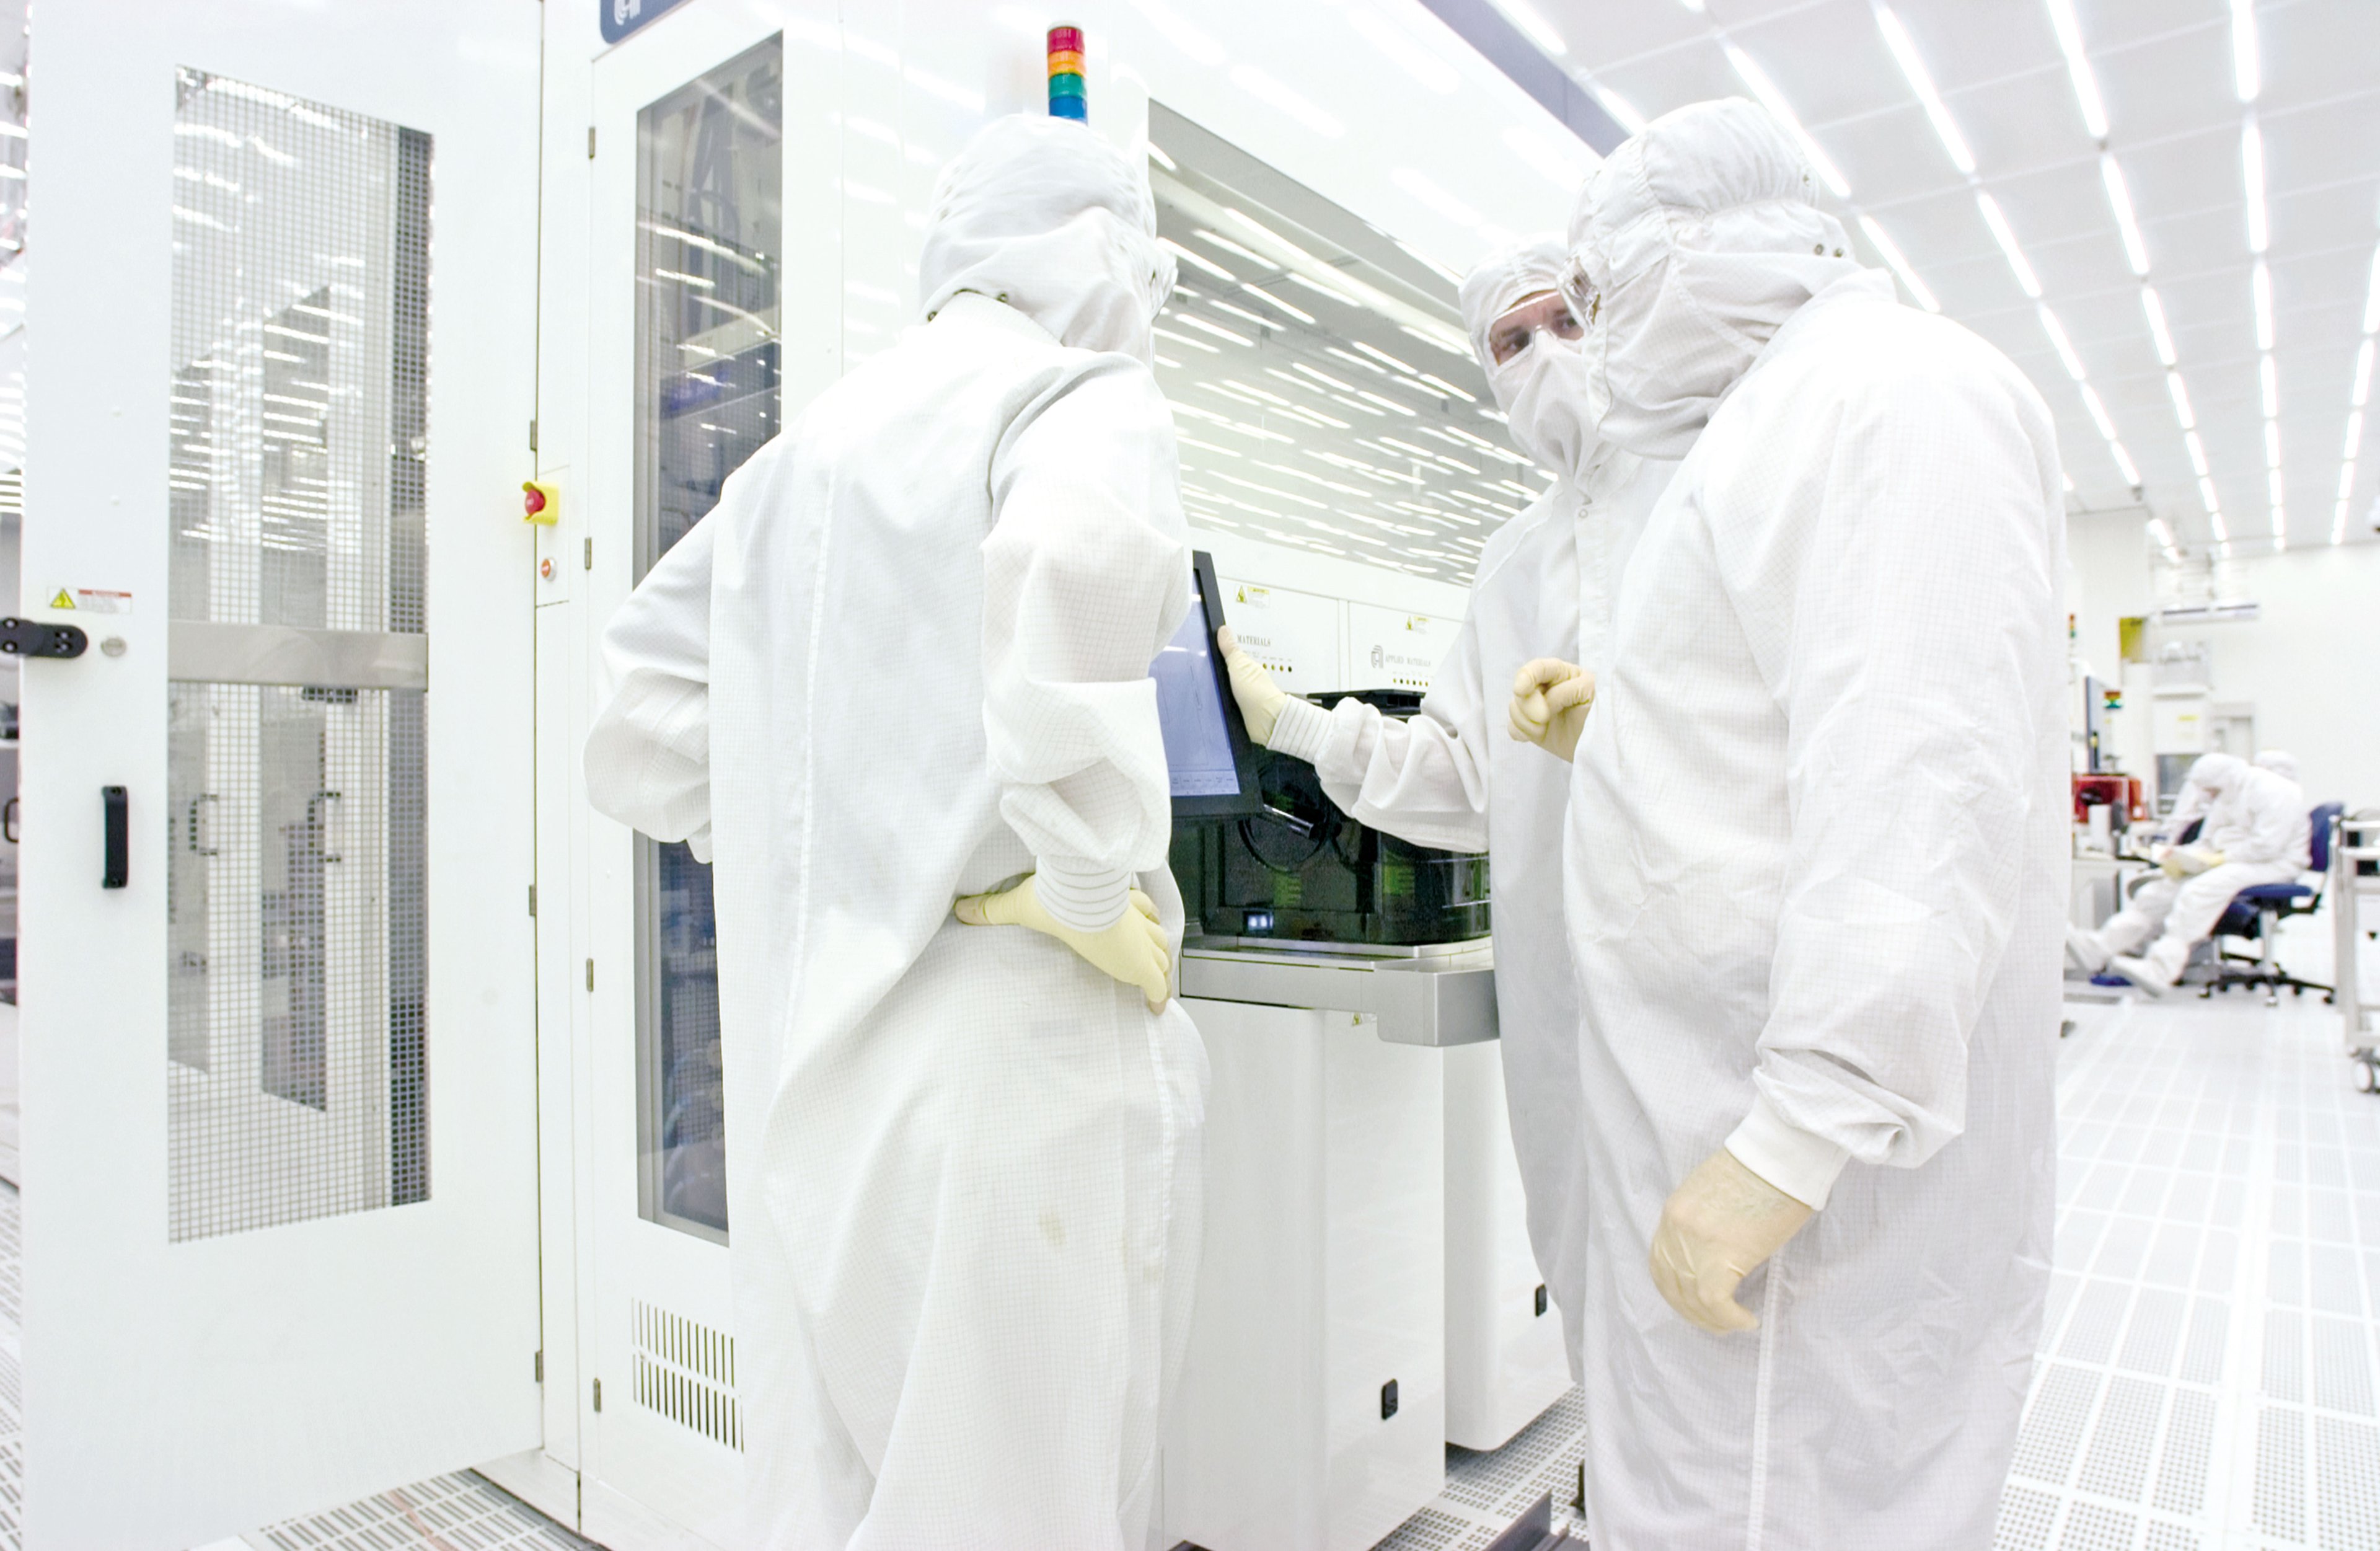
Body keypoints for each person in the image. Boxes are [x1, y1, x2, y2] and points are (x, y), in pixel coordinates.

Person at [583, 114, 1205, 1550]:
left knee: (840, 1492)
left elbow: (631, 721)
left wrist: (842, 828)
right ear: (1097, 248)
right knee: (1021, 1500)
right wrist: (1080, 869)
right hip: (1019, 1052)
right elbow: (1070, 565)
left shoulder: (795, 464)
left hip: (827, 1073)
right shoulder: (1078, 394)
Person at [1510, 99, 2066, 1548]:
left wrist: (1789, 1142)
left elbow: (1915, 791)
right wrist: (1616, 724)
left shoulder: (1890, 395)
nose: (1593, 342)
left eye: (1607, 295)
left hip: (1792, 1165)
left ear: (1714, 250)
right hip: (1708, 1111)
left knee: (1776, 1504)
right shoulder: (1764, 426)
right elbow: (1771, 745)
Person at [1212, 235, 1673, 1376]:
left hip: (1702, 994)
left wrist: (1622, 732)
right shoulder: (1515, 561)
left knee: (1736, 1313)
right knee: (1593, 1291)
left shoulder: (1708, 502)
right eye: (1512, 344)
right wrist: (1291, 724)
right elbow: (1471, 781)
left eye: (1565, 325)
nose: (1545, 359)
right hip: (1567, 1009)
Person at [2069, 750, 2310, 992]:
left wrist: (2218, 859)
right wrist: (2185, 859)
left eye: (2211, 790)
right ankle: (2098, 948)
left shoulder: (2275, 791)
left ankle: (2161, 970)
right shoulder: (2228, 794)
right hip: (2235, 860)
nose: (2208, 796)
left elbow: (2267, 845)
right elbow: (2207, 840)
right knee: (2158, 891)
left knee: (2198, 891)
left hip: (2273, 864)